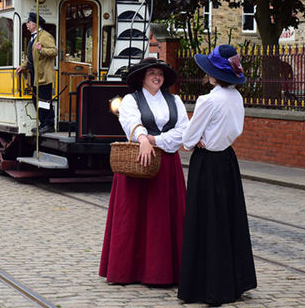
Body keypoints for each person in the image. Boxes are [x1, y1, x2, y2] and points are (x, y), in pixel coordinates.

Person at [178, 44, 257, 305]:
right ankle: (234, 282)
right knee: (228, 220)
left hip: (207, 163)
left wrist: (198, 139)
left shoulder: (208, 101)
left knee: (207, 223)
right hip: (227, 160)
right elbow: (235, 130)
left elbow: (188, 139)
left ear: (214, 74)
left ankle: (208, 286)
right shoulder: (236, 98)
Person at [99, 58, 189, 285]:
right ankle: (128, 271)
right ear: (142, 78)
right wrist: (143, 139)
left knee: (162, 219)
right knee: (133, 218)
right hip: (139, 161)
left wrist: (155, 140)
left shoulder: (175, 100)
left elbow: (184, 131)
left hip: (167, 164)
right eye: (152, 73)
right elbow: (131, 122)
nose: (157, 77)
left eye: (160, 73)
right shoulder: (132, 100)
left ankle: (162, 271)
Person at [15, 12, 56, 134]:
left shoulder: (45, 36)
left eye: (28, 22)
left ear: (34, 24)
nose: (27, 25)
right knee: (36, 100)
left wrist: (41, 50)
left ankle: (49, 124)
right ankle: (42, 123)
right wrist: (22, 67)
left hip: (44, 75)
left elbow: (54, 51)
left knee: (44, 101)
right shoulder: (33, 37)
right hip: (34, 76)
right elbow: (30, 58)